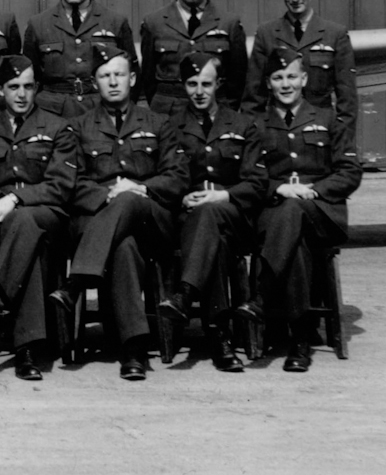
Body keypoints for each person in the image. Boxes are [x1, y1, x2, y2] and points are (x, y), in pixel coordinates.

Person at [48, 44, 187, 382]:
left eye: (119, 75)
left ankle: (76, 283)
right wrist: (107, 194)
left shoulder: (159, 122)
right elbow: (71, 182)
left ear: (133, 78)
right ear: (95, 81)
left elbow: (178, 175)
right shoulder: (77, 127)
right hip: (101, 219)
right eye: (105, 76)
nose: (113, 82)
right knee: (124, 247)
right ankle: (134, 351)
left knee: (128, 200)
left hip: (151, 218)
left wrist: (139, 189)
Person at [0, 55, 79, 382]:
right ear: (0, 89)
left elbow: (61, 186)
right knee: (30, 244)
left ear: (37, 88)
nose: (22, 94)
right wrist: (0, 203)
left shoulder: (58, 126)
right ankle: (27, 349)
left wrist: (15, 198)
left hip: (48, 219)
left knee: (27, 223)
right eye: (13, 87)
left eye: (28, 86)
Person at [242, 48, 360, 372]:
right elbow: (247, 176)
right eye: (278, 78)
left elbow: (350, 171)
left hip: (323, 212)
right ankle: (301, 341)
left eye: (292, 76)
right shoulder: (254, 124)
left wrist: (314, 190)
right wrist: (279, 188)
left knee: (295, 210)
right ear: (268, 82)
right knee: (295, 245)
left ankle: (264, 297)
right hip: (274, 213)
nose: (285, 84)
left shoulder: (328, 118)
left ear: (304, 79)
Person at [155, 53, 265, 373]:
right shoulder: (171, 126)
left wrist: (223, 195)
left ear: (218, 84)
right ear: (183, 86)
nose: (199, 91)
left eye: (206, 83)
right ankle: (219, 337)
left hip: (234, 215)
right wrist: (181, 198)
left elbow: (257, 183)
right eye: (192, 84)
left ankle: (186, 294)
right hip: (191, 222)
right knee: (211, 236)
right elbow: (165, 175)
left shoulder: (243, 124)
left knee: (210, 216)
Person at [243, 0, 357, 137]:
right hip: (276, 138)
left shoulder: (335, 35)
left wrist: (341, 145)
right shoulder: (266, 34)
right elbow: (253, 99)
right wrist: (256, 142)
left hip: (321, 139)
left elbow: (347, 102)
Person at [23, 0, 135, 120]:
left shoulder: (115, 22)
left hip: (101, 112)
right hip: (51, 114)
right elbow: (31, 78)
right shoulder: (38, 24)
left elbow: (133, 75)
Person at [139, 0, 247, 115]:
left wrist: (227, 116)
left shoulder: (229, 23)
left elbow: (237, 80)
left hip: (215, 114)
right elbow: (147, 79)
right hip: (168, 116)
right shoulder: (154, 23)